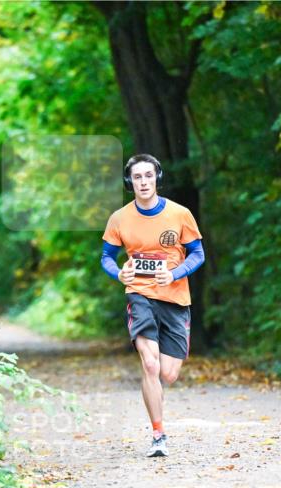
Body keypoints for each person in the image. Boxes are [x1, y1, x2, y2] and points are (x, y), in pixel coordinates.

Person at [100, 154, 205, 457]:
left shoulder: (180, 213)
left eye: (148, 176)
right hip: (139, 293)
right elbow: (106, 257)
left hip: (174, 297)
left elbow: (198, 254)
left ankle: (159, 391)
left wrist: (174, 273)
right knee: (149, 364)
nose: (143, 182)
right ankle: (158, 434)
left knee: (169, 374)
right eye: (137, 177)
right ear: (129, 182)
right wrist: (118, 272)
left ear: (157, 178)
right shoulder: (119, 218)